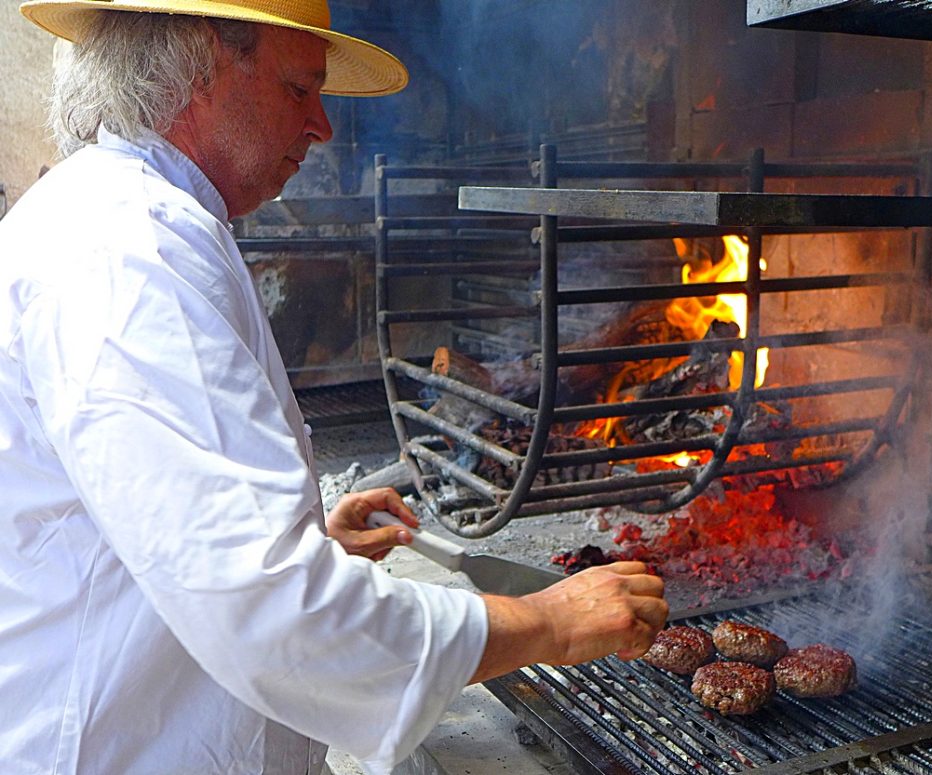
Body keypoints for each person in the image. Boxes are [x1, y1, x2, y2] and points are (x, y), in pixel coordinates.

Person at [0, 2, 668, 774]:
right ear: (201, 68)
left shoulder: (120, 216)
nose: (322, 125)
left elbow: (151, 520)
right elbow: (272, 611)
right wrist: (544, 621)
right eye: (298, 88)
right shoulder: (133, 254)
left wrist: (305, 535)